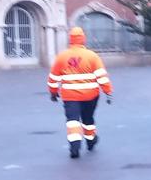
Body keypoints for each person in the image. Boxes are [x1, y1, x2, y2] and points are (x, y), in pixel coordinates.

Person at [47, 27, 113, 158]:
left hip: (70, 96)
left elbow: (53, 78)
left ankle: (74, 146)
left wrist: (53, 93)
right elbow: (101, 76)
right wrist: (108, 92)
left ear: (70, 40)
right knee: (88, 118)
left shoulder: (62, 57)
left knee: (72, 121)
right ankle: (90, 140)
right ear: (83, 39)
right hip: (91, 95)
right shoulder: (92, 56)